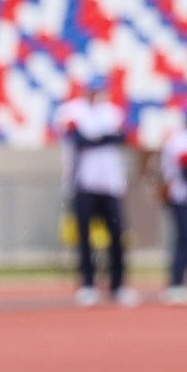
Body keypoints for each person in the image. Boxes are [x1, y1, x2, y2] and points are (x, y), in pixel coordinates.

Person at [52, 73, 139, 308]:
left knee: (117, 236)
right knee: (84, 238)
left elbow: (122, 136)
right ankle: (88, 284)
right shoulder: (71, 111)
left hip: (111, 183)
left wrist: (99, 139)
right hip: (84, 182)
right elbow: (79, 141)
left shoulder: (111, 112)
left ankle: (118, 285)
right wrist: (105, 138)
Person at [157, 115, 187, 303]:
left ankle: (179, 280)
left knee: (184, 239)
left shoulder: (177, 138)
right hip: (181, 195)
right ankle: (177, 282)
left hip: (178, 194)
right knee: (185, 239)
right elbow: (184, 166)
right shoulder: (184, 139)